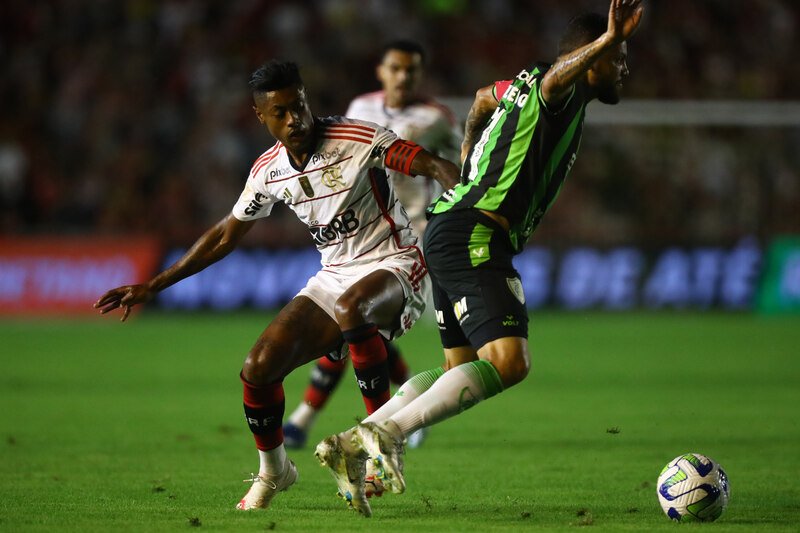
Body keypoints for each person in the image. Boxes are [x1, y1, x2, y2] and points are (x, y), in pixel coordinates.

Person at [315, 0, 644, 517]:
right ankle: (388, 431)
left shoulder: (523, 87)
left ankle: (353, 444)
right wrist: (604, 40)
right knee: (510, 362)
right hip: (475, 233)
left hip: (452, 226)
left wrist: (468, 146)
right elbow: (553, 78)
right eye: (618, 57)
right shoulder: (557, 86)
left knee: (459, 367)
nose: (624, 66)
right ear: (590, 59)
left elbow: (480, 98)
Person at [93, 60, 460, 514]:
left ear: (308, 100)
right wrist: (155, 284)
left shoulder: (357, 137)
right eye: (281, 113)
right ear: (260, 117)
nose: (295, 120)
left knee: (353, 308)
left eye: (299, 106)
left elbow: (423, 161)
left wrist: (455, 186)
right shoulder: (268, 170)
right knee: (258, 367)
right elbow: (227, 233)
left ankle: (381, 440)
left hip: (397, 262)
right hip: (334, 277)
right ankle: (275, 471)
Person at [283, 39, 461, 451]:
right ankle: (403, 415)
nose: (403, 77)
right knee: (358, 331)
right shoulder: (359, 109)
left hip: (410, 238)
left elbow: (459, 165)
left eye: (411, 70)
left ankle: (307, 419)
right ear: (381, 71)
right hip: (361, 236)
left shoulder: (436, 117)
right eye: (395, 68)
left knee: (355, 328)